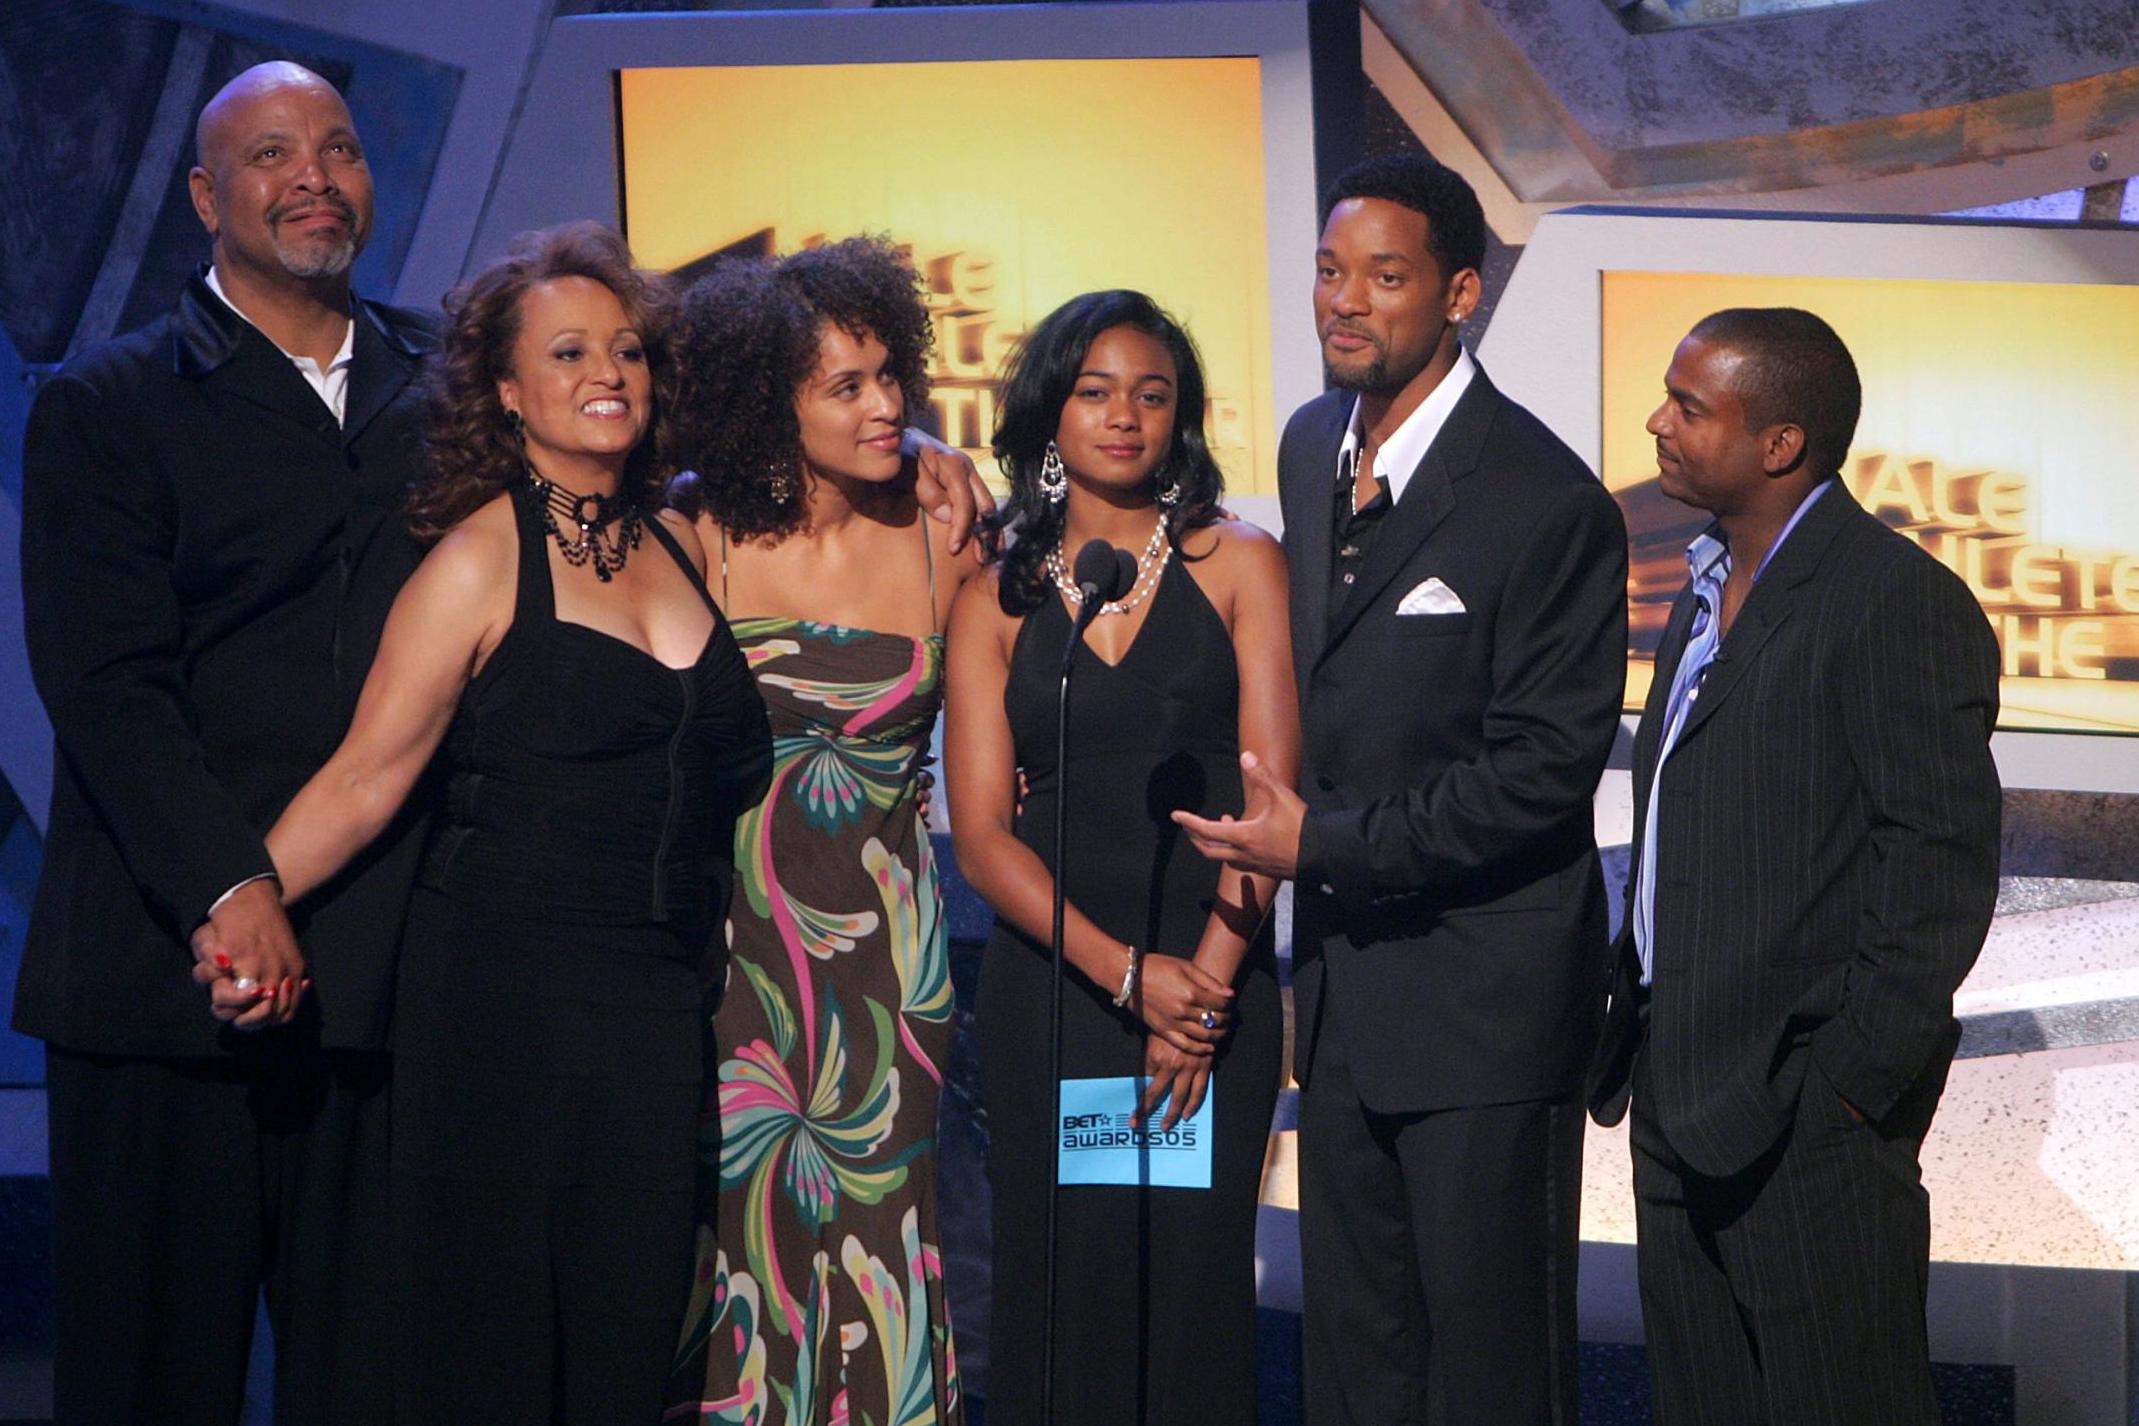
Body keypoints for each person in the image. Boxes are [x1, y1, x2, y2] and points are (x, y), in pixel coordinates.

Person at [194, 220, 770, 1423]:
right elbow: (365, 777)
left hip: (659, 1013)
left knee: (629, 1348)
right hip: (500, 1009)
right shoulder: (474, 560)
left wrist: (933, 456)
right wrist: (240, 906)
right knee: (497, 1361)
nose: (607, 372)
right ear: (508, 392)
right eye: (567, 354)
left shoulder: (681, 539)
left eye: (626, 350)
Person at [1174, 153, 1628, 1426]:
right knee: (1357, 1366)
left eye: (1384, 276)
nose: (1345, 302)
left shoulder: (1548, 503)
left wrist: (1321, 838)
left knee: (1489, 1372)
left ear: (1462, 293)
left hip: (1487, 1012)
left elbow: (1539, 776)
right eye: (1330, 271)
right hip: (1343, 1007)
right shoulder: (1315, 437)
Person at [16, 60, 429, 1424]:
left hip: (379, 991)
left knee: (375, 1382)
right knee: (148, 1386)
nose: (313, 173)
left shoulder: (445, 400)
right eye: (270, 152)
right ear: (204, 194)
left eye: (339, 147)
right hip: (159, 981)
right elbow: (108, 684)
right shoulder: (109, 402)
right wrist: (230, 885)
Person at [1587, 308, 2001, 1424]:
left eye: (1689, 406)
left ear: (1779, 443)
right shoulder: (1702, 585)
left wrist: (1852, 1086)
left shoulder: (1894, 599)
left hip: (1808, 1115)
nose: (1656, 424)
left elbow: (1939, 865)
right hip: (1676, 1086)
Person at [947, 289, 1296, 1425]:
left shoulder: (1241, 562)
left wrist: (1195, 994)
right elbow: (985, 834)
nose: (1124, 417)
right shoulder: (994, 591)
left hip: (1209, 993)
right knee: (1066, 1303)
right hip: (1058, 990)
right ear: (1052, 412)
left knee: (1187, 1301)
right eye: (1095, 391)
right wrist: (1126, 976)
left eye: (1153, 394)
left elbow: (1269, 805)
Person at [665, 236, 984, 1425]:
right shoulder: (697, 535)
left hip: (888, 968)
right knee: (747, 1246)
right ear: (766, 400)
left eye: (890, 374)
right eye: (844, 386)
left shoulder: (939, 530)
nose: (887, 405)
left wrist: (950, 463)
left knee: (883, 1240)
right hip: (739, 961)